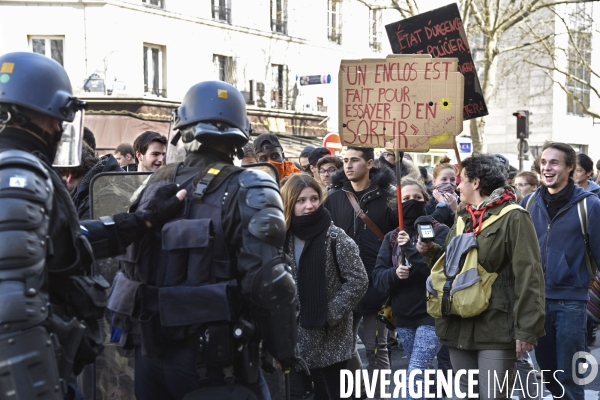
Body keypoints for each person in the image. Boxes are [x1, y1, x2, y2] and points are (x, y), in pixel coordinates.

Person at [0, 51, 185, 400]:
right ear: (37, 115)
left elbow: (68, 239)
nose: (59, 128)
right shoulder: (16, 177)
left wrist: (141, 221)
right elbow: (11, 310)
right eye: (58, 118)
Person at [108, 80, 298, 400]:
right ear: (240, 133)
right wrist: (284, 350)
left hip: (150, 357)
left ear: (184, 128)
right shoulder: (252, 185)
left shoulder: (152, 183)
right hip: (215, 365)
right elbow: (269, 282)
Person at [424, 153, 545, 400]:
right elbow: (452, 266)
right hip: (459, 323)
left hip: (497, 327)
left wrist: (526, 329)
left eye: (462, 179)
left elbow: (529, 275)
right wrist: (430, 251)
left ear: (476, 182)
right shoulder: (463, 217)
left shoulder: (514, 216)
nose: (457, 185)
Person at [521, 142, 600, 400]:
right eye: (544, 162)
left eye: (554, 162)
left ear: (570, 168)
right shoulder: (528, 202)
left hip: (572, 302)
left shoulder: (590, 206)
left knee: (569, 378)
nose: (547, 167)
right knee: (548, 374)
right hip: (535, 301)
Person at [281, 174, 368, 400]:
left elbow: (358, 280)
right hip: (291, 333)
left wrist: (330, 313)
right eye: (301, 200)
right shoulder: (280, 238)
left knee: (332, 394)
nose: (309, 205)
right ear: (289, 203)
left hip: (330, 335)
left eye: (314, 199)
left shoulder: (336, 237)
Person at [324, 146, 396, 398]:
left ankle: (379, 396)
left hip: (378, 284)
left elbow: (397, 239)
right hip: (343, 285)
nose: (348, 165)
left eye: (354, 160)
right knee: (344, 346)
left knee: (377, 347)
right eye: (345, 161)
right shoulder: (333, 198)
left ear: (369, 163)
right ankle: (361, 393)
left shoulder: (387, 196)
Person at [373, 178, 449, 399]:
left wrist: (412, 250)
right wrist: (394, 274)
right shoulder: (392, 237)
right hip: (403, 315)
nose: (411, 202)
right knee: (424, 371)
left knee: (416, 371)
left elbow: (437, 271)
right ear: (396, 204)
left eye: (417, 198)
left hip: (432, 314)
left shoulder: (440, 230)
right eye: (405, 198)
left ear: (426, 200)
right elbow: (378, 276)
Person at [425, 156, 458, 228]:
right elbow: (428, 226)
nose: (449, 183)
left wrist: (455, 210)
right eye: (444, 179)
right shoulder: (427, 200)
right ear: (434, 181)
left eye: (452, 179)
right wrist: (442, 205)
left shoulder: (461, 200)